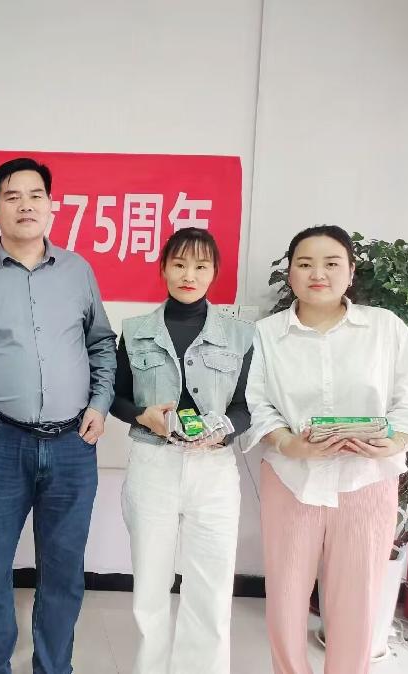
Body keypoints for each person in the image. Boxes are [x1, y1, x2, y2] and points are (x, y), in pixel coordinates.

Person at [0, 157, 117, 674]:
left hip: (74, 442)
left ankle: (53, 667)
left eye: (35, 195)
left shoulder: (78, 272)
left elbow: (102, 345)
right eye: (12, 196)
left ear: (51, 206)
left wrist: (100, 404)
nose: (25, 205)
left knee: (63, 571)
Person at [246, 225, 408, 673]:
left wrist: (392, 442)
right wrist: (287, 443)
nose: (318, 274)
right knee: (286, 597)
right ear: (290, 273)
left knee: (357, 602)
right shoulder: (266, 334)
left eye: (331, 263)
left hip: (366, 481)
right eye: (305, 264)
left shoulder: (385, 328)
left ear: (351, 272)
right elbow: (255, 402)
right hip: (292, 478)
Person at [110, 227, 254, 674]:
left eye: (201, 265)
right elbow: (115, 397)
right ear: (163, 269)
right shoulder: (136, 331)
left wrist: (225, 430)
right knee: (150, 585)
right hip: (153, 464)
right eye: (179, 264)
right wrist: (143, 416)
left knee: (210, 587)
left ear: (214, 272)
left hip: (214, 469)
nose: (189, 275)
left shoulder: (240, 335)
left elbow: (248, 406)